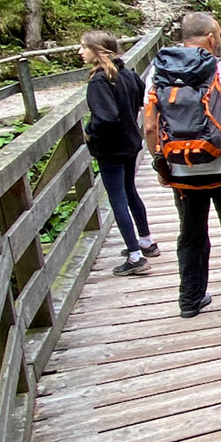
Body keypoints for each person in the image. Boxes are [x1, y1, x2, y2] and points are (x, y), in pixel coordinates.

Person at [143, 11, 221, 319]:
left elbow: (148, 127)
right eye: (220, 35)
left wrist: (161, 165)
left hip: (182, 170)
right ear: (211, 37)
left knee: (191, 234)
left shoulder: (158, 71)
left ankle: (190, 301)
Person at [79, 30, 158, 277]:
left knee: (117, 198)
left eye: (84, 47)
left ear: (98, 51)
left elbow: (105, 117)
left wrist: (89, 131)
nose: (80, 52)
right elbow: (143, 98)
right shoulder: (127, 73)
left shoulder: (99, 81)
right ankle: (146, 241)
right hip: (131, 142)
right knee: (130, 191)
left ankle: (135, 256)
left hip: (111, 148)